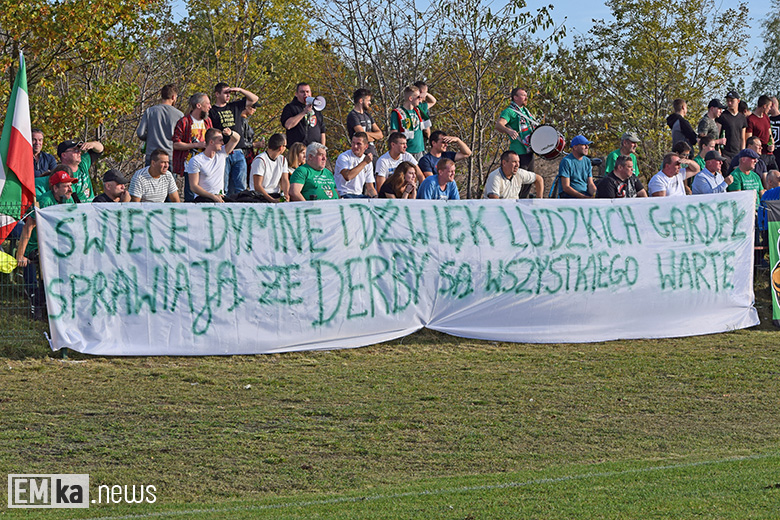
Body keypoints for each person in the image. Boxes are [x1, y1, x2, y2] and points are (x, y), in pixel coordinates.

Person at [15, 167, 80, 319]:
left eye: (71, 185)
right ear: (55, 188)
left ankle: (51, 306)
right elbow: (28, 228)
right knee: (48, 274)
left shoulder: (69, 199)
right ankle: (37, 305)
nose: (71, 189)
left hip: (55, 245)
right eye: (66, 186)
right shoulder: (44, 201)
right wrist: (20, 254)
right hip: (36, 245)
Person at [209, 82, 259, 196]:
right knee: (224, 187)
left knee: (240, 187)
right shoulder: (212, 111)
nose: (228, 95)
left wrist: (240, 90)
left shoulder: (234, 106)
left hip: (238, 151)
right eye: (225, 93)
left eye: (229, 93)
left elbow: (254, 99)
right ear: (217, 94)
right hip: (223, 152)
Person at [172, 93, 213, 201]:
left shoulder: (207, 121)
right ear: (199, 105)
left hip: (206, 164)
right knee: (190, 194)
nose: (210, 107)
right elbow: (176, 144)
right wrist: (196, 145)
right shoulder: (184, 122)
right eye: (207, 104)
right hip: (189, 164)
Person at [187, 127, 240, 203]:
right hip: (203, 199)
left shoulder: (222, 153)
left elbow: (236, 139)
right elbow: (194, 187)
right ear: (211, 142)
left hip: (220, 197)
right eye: (220, 140)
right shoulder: (196, 160)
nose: (223, 143)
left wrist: (230, 133)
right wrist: (213, 196)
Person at [136, 84, 183, 167]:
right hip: (170, 156)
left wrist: (150, 137)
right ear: (173, 97)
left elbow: (140, 133)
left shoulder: (150, 111)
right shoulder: (179, 115)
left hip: (152, 155)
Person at [495, 87, 537, 171]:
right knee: (520, 178)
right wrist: (508, 130)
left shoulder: (526, 112)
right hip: (518, 153)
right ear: (515, 97)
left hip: (529, 150)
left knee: (530, 178)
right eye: (523, 95)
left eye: (526, 95)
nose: (526, 98)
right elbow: (498, 125)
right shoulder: (509, 111)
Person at [281, 82, 326, 147]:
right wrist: (304, 112)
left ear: (311, 93)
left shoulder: (316, 108)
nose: (305, 94)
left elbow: (322, 131)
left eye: (307, 92)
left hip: (315, 149)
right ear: (296, 94)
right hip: (297, 149)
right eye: (302, 92)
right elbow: (288, 125)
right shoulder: (290, 107)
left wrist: (323, 148)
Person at [334, 132, 376, 198]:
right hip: (344, 194)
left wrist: (376, 198)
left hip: (359, 195)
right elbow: (348, 176)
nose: (355, 146)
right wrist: (364, 162)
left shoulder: (368, 162)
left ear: (366, 146)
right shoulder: (344, 157)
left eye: (358, 144)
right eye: (353, 143)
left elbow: (370, 187)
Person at [346, 88, 383, 164]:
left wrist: (368, 135)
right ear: (361, 101)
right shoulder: (353, 115)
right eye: (368, 100)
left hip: (373, 154)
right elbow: (362, 137)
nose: (370, 103)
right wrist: (372, 136)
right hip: (361, 156)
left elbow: (380, 135)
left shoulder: (367, 115)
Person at [389, 85, 425, 160]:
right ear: (410, 98)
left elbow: (432, 101)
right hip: (406, 151)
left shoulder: (418, 110)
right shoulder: (397, 113)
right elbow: (394, 134)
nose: (420, 99)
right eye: (418, 97)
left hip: (420, 151)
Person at [250, 133, 289, 202]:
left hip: (275, 194)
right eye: (285, 146)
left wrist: (286, 195)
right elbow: (257, 186)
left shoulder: (282, 159)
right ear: (280, 147)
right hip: (260, 196)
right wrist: (272, 200)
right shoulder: (260, 160)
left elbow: (285, 180)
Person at [717, 91, 747, 161]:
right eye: (728, 101)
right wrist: (718, 150)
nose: (729, 103)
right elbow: (717, 134)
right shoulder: (723, 116)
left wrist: (742, 152)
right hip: (725, 153)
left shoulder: (742, 118)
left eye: (732, 101)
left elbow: (742, 138)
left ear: (738, 101)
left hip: (737, 153)